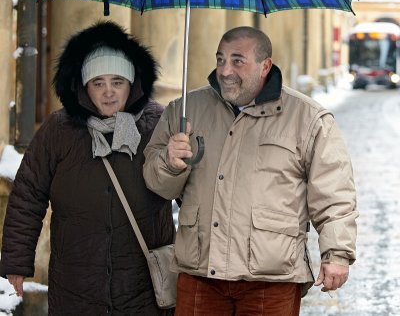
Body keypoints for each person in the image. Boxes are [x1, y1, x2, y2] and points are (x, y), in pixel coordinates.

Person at [143, 26, 358, 315]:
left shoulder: (307, 118)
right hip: (201, 272)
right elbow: (158, 186)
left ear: (265, 65)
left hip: (271, 276)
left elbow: (334, 192)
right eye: (220, 59)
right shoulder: (184, 110)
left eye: (237, 60)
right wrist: (170, 162)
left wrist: (337, 253)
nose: (225, 70)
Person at [0, 21, 175, 315]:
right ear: (83, 86)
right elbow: (27, 196)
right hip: (76, 283)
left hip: (143, 286)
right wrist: (17, 262)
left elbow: (194, 195)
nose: (108, 92)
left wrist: (182, 158)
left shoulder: (159, 124)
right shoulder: (59, 129)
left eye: (117, 82)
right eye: (98, 83)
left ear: (132, 83)